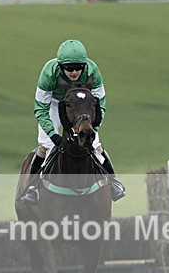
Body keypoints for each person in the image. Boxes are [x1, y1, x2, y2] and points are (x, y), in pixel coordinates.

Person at [19, 39, 125, 204]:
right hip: (54, 103)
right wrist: (53, 135)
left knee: (96, 144)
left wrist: (94, 127)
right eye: (69, 68)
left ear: (84, 65)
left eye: (78, 68)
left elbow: (99, 104)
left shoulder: (92, 71)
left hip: (81, 105)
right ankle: (32, 188)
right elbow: (41, 109)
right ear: (60, 66)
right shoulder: (48, 73)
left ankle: (113, 182)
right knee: (46, 145)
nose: (74, 72)